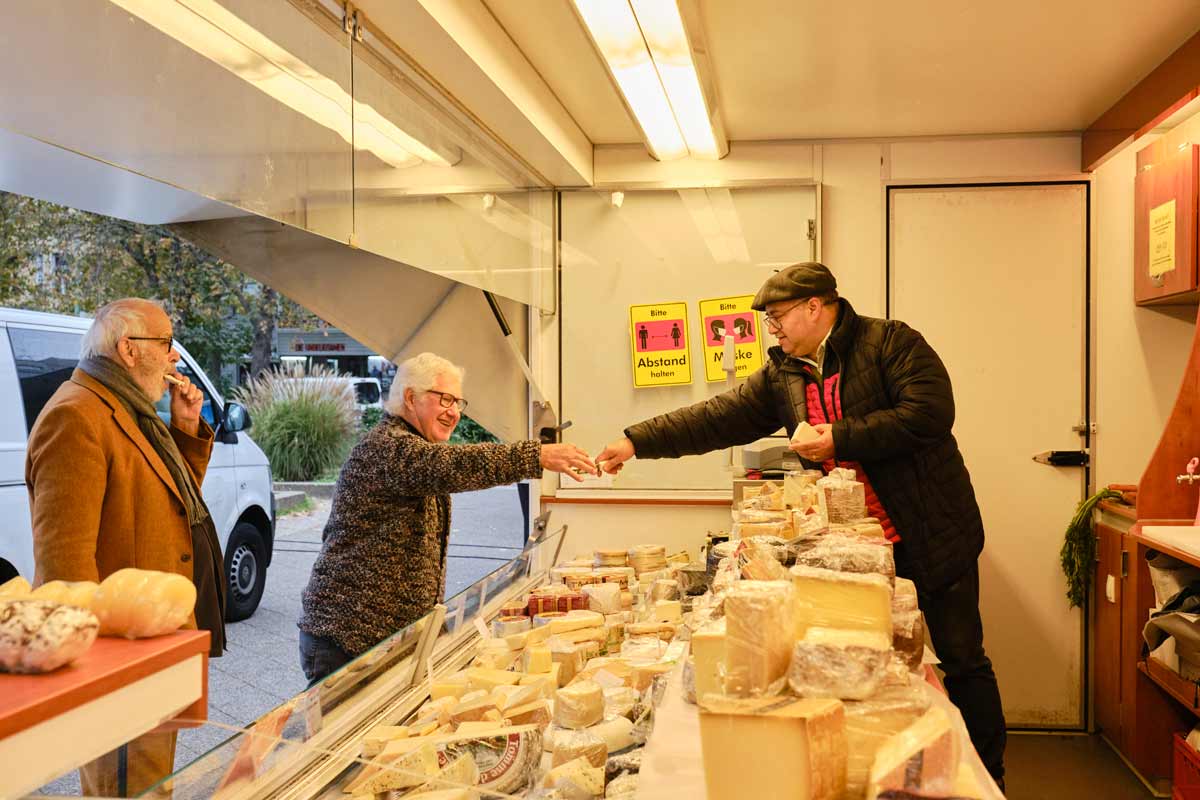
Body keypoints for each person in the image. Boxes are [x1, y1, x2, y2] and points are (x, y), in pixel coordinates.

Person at [596, 262, 1006, 788]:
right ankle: (896, 777)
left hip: (933, 536)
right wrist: (636, 442)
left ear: (816, 306)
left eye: (779, 316)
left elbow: (929, 413)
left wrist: (839, 437)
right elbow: (717, 417)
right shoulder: (784, 373)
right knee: (877, 678)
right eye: (769, 320)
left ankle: (989, 779)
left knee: (963, 660)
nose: (774, 329)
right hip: (861, 557)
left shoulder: (890, 343)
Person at [26, 298, 226, 797]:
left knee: (153, 781)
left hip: (151, 641)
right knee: (126, 786)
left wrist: (183, 428)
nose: (175, 358)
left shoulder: (127, 406)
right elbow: (64, 567)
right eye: (167, 344)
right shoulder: (77, 415)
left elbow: (165, 502)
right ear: (129, 348)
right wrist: (100, 677)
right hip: (121, 657)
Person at [298, 352, 597, 683]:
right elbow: (453, 465)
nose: (454, 412)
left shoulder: (412, 447)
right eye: (445, 400)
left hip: (390, 641)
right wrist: (535, 455)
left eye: (458, 402)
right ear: (410, 398)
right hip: (348, 641)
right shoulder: (386, 448)